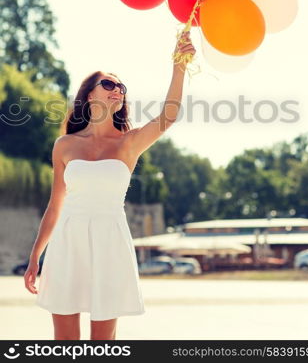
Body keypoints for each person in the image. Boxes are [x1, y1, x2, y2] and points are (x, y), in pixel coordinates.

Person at [24, 32, 196, 340]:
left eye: (121, 87)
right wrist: (36, 254)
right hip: (67, 241)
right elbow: (55, 205)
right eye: (109, 84)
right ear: (90, 95)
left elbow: (168, 117)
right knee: (65, 343)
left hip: (110, 242)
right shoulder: (64, 145)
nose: (117, 90)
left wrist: (179, 66)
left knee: (102, 345)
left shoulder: (130, 143)